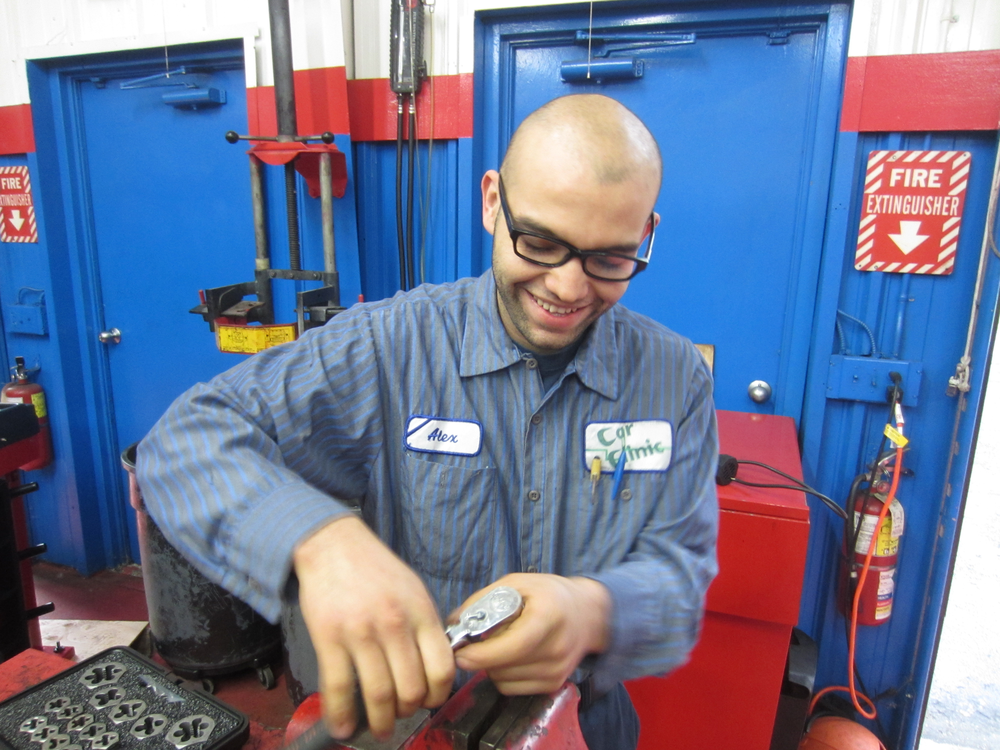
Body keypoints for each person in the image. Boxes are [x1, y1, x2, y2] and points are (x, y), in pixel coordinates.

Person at [137, 94, 718, 750]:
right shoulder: (389, 348)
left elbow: (681, 581)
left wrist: (595, 613)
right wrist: (320, 542)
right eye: (540, 243)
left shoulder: (674, 379)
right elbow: (186, 439)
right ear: (493, 202)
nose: (567, 287)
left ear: (645, 235)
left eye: (609, 259)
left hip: (587, 728)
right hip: (419, 730)